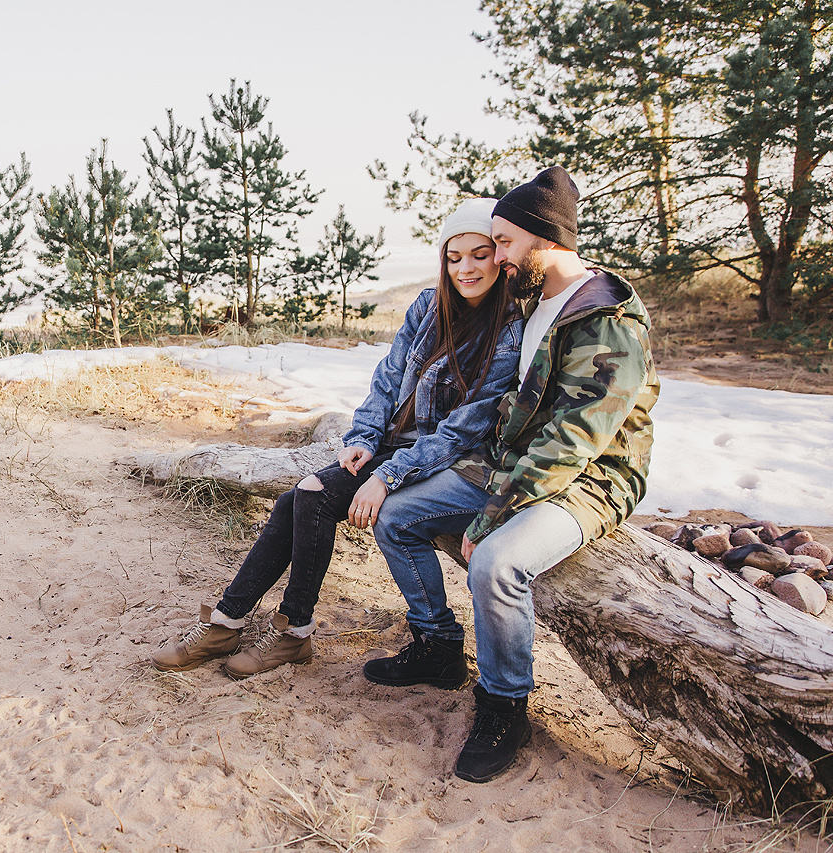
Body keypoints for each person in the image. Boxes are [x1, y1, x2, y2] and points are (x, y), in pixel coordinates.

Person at [364, 166, 659, 784]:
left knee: (495, 562)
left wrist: (495, 512)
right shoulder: (534, 302)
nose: (495, 256)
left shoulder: (605, 320)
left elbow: (574, 440)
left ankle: (504, 707)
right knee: (396, 517)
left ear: (544, 238)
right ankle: (439, 647)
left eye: (503, 242)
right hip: (509, 460)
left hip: (590, 478)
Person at [151, 198, 524, 679]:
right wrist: (366, 435)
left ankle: (286, 631)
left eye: (479, 254)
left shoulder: (509, 329)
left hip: (445, 462)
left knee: (309, 497)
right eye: (454, 258)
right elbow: (389, 378)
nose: (465, 269)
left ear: (499, 254)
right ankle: (234, 624)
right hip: (394, 445)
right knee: (297, 498)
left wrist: (387, 476)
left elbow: (463, 431)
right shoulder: (429, 307)